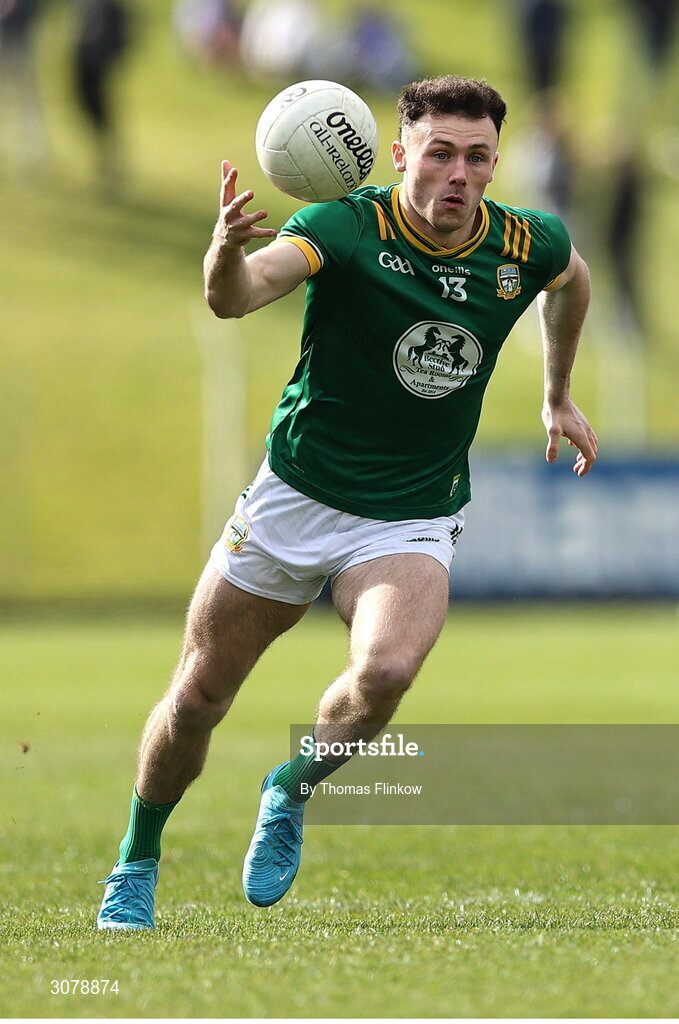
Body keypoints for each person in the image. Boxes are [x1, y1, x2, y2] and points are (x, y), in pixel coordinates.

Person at [97, 75, 597, 929]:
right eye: (439, 153)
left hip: (410, 510)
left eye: (477, 157)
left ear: (493, 163)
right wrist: (222, 251)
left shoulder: (526, 242)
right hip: (295, 496)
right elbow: (238, 295)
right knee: (197, 697)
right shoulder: (342, 225)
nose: (458, 174)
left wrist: (555, 393)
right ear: (399, 154)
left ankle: (289, 787)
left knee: (387, 671)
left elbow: (572, 281)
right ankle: (137, 859)